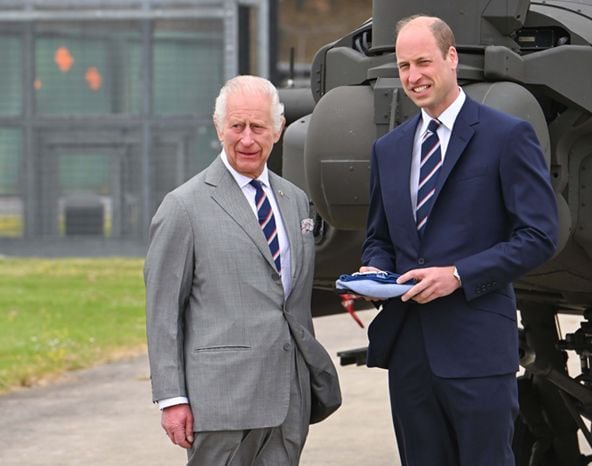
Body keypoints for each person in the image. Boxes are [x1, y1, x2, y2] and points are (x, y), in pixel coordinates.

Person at [360, 15, 559, 466]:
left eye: (423, 62)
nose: (413, 76)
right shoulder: (388, 150)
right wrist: (374, 269)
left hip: (477, 352)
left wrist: (458, 275)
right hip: (409, 353)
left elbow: (540, 235)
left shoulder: (507, 136)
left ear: (452, 58)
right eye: (404, 65)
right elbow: (379, 238)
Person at [144, 75, 340, 466]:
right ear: (220, 128)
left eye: (258, 127)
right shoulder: (183, 207)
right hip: (221, 403)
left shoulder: (295, 200)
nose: (247, 139)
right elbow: (162, 311)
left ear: (278, 130)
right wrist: (172, 398)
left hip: (289, 399)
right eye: (237, 126)